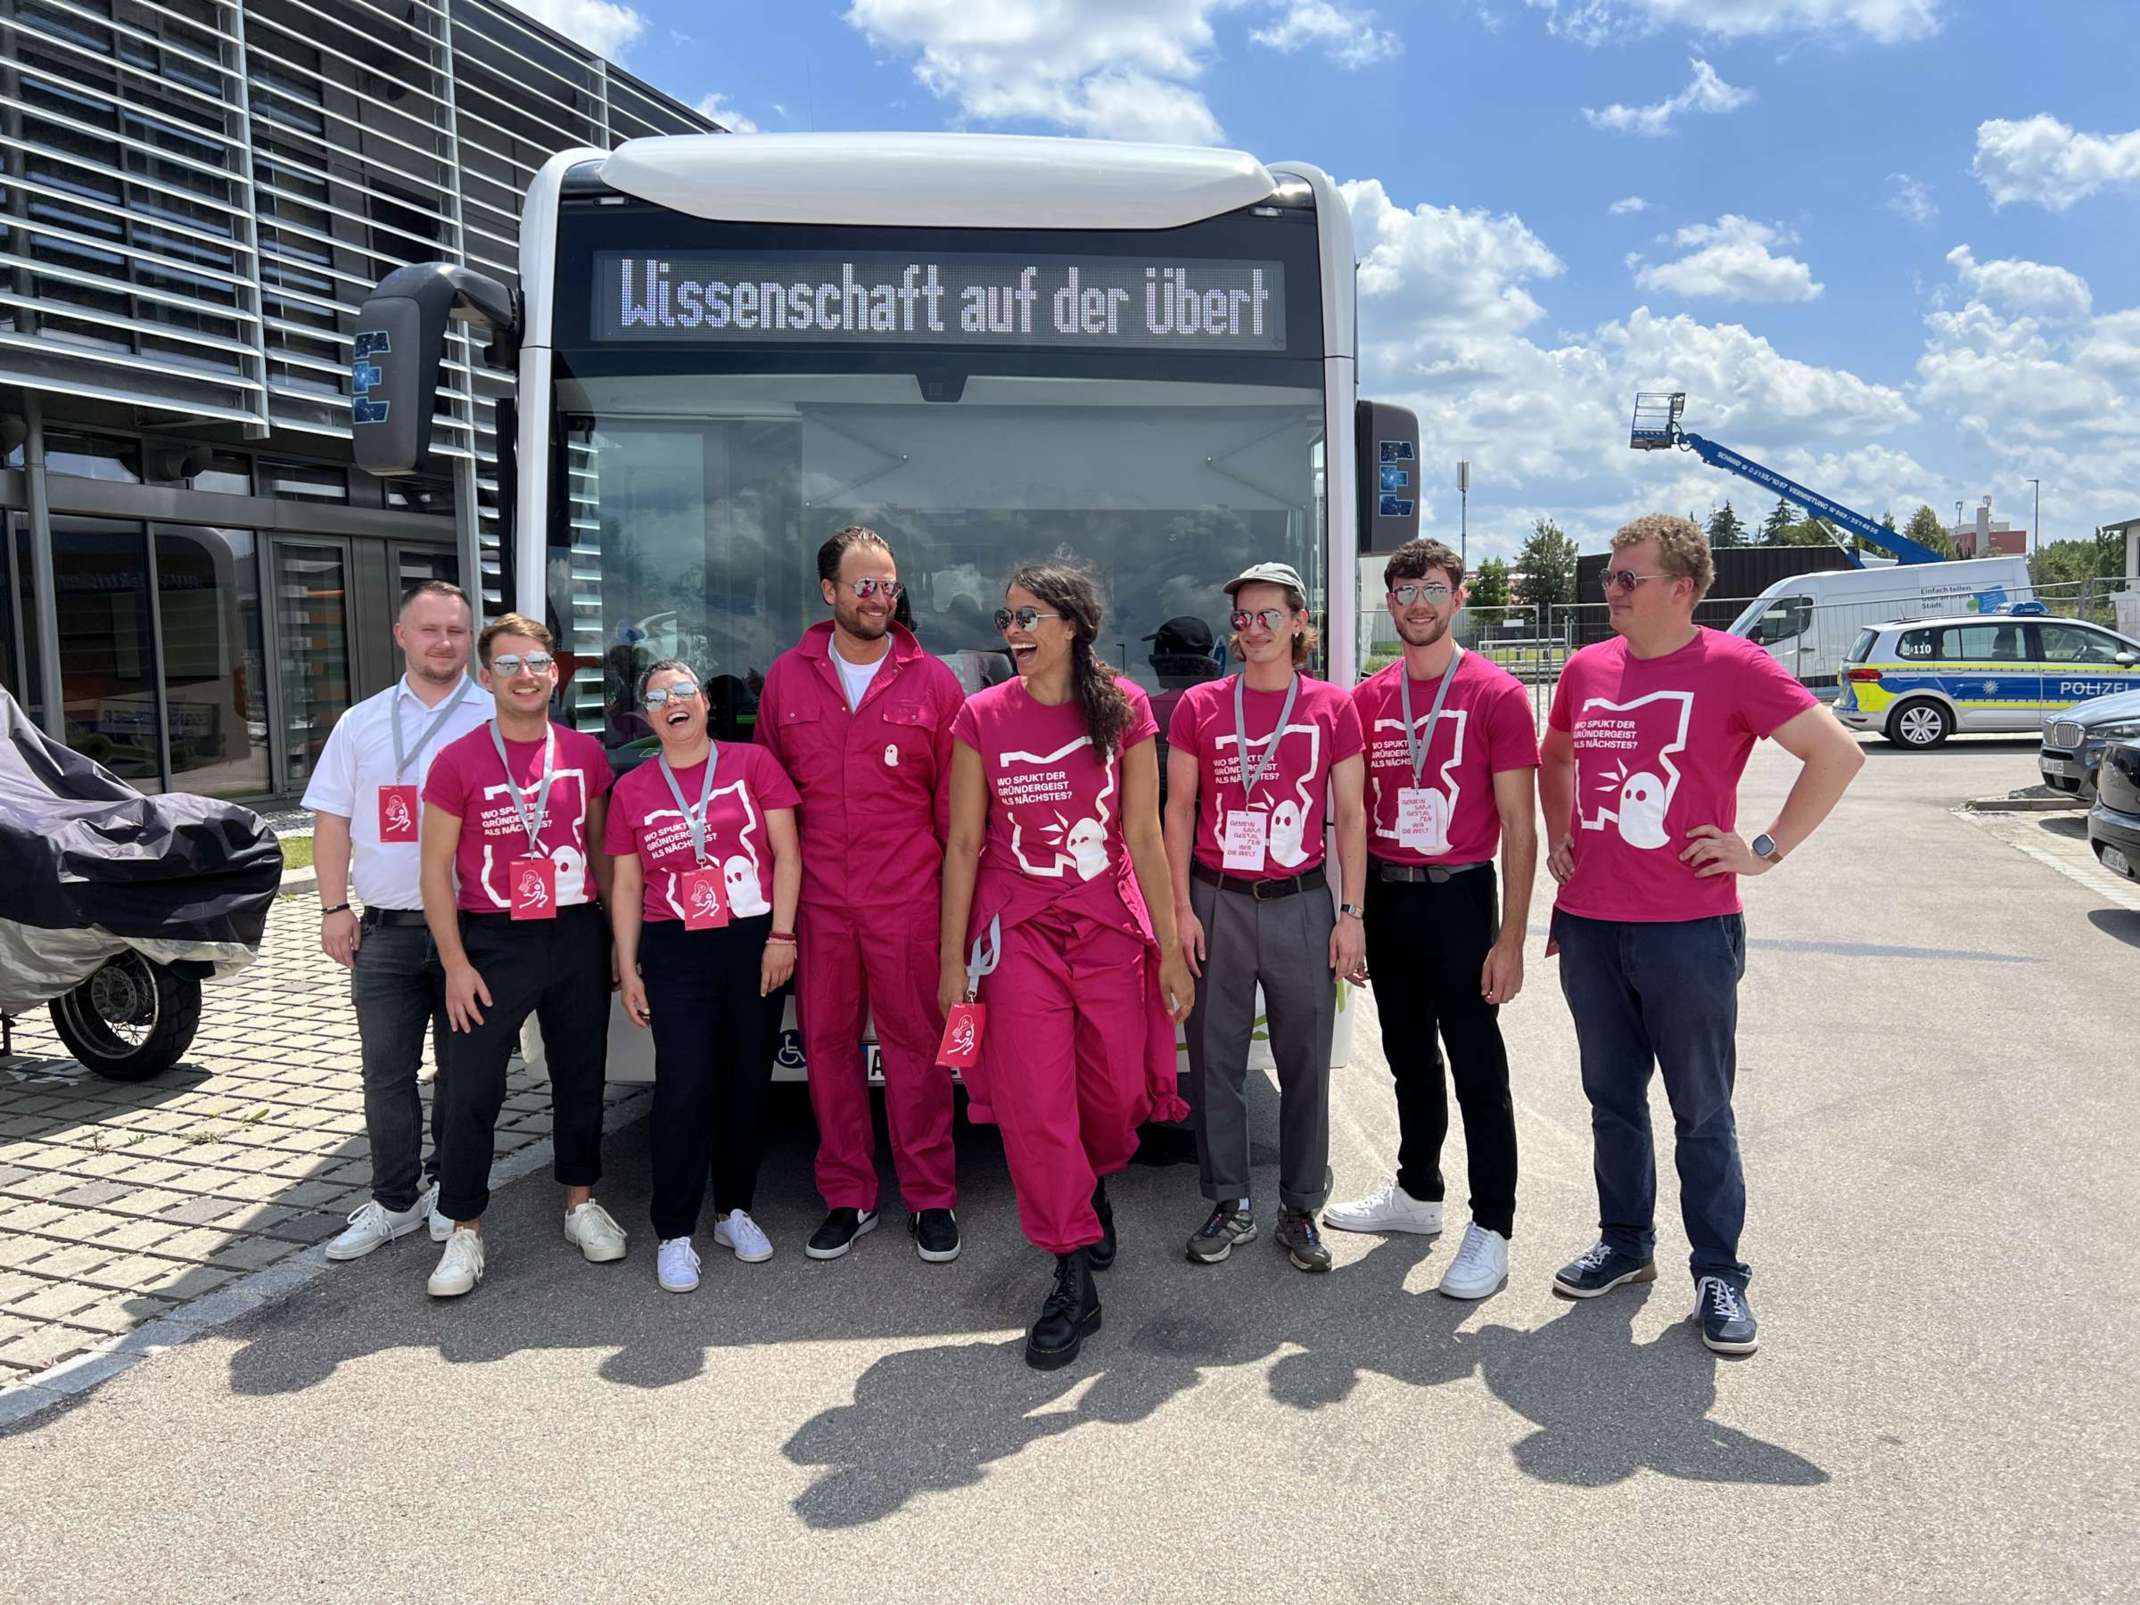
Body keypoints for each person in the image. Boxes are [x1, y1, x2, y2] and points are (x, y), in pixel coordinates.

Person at [1540, 514, 1863, 1354]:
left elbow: (1836, 754)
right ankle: (1625, 1241)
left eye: (1627, 578)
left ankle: (1718, 1271)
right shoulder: (1585, 669)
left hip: (1689, 930)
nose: (1610, 590)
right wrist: (1558, 833)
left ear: (1682, 589)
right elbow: (1556, 753)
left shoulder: (1732, 666)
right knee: (1612, 1100)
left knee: (1702, 1111)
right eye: (1609, 576)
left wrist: (1761, 850)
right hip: (1593, 924)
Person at [938, 561, 1195, 1370]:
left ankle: (1089, 1185)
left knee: (1114, 1091)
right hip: (1018, 933)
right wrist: (954, 962)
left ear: (1073, 625)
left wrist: (1170, 943)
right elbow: (965, 843)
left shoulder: (1120, 712)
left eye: (1028, 616)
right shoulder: (981, 716)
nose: (1013, 630)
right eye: (1006, 617)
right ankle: (1070, 1269)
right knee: (1036, 1103)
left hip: (1108, 922)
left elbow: (1146, 837)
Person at [1325, 538, 1538, 1300]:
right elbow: (1352, 816)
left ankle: (1494, 1225)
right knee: (1407, 1052)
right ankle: (1417, 1192)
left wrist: (1510, 936)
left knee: (1478, 1064)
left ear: (1458, 595)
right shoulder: (1368, 698)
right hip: (1389, 893)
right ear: (1390, 602)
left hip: (1460, 895)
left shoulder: (1496, 694)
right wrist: (1354, 913)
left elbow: (1521, 824)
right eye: (1405, 590)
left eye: (1434, 588)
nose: (1419, 603)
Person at [757, 527, 967, 1263]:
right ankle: (848, 1194)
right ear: (830, 592)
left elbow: (954, 810)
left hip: (907, 898)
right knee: (827, 1049)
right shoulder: (787, 677)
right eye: (864, 584)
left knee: (918, 1050)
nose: (879, 597)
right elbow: (771, 804)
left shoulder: (934, 681)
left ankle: (931, 1196)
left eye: (888, 584)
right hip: (818, 903)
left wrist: (956, 913)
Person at [1162, 562, 1365, 1273]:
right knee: (1214, 1060)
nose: (1252, 628)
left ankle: (1301, 1206)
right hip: (1216, 896)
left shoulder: (1332, 707)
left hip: (1301, 900)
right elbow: (1179, 808)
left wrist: (1351, 914)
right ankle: (1229, 1201)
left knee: (1306, 1059)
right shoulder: (1202, 706)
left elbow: (1350, 816)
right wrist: (1180, 907)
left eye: (1268, 615)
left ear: (1299, 621)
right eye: (1242, 617)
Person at [418, 613, 622, 1298]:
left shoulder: (584, 754)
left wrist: (618, 942)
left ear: (555, 673)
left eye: (536, 662)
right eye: (509, 665)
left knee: (581, 1074)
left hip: (573, 931)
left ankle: (580, 1203)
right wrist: (454, 963)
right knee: (474, 1085)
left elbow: (598, 850)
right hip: (493, 938)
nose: (526, 675)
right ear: (486, 678)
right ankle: (463, 1228)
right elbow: (434, 870)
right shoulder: (457, 760)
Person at [304, 580, 493, 1261]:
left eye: (456, 630)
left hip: (470, 932)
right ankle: (392, 1199)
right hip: (383, 932)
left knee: (461, 1072)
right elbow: (332, 820)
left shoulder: (495, 715)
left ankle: (451, 1191)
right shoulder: (360, 722)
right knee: (385, 1073)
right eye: (430, 629)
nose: (444, 642)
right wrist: (333, 907)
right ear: (401, 635)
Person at [606, 661, 801, 1293]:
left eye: (684, 691)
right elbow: (629, 883)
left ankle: (732, 1210)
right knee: (683, 1088)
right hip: (675, 949)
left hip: (752, 942)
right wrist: (627, 963)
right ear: (647, 716)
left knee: (747, 1083)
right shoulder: (633, 788)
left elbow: (788, 855)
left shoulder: (753, 765)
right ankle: (674, 1231)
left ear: (706, 703)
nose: (673, 703)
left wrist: (782, 936)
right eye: (658, 697)